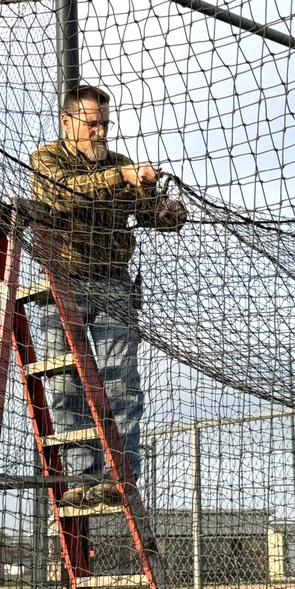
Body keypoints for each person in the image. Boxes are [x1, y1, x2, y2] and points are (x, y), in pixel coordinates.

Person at [29, 85, 186, 507]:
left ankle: (121, 474)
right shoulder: (45, 159)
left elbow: (152, 213)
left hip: (114, 284)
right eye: (92, 124)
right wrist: (123, 176)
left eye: (105, 125)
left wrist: (166, 210)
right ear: (67, 122)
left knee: (121, 382)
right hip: (62, 285)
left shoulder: (121, 166)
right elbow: (64, 193)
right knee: (63, 384)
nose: (100, 133)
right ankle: (83, 475)